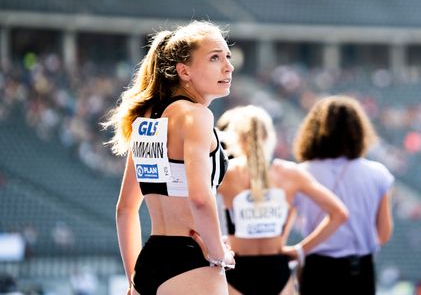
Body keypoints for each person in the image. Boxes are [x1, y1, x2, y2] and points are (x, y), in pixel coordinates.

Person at [104, 21, 235, 295]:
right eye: (215, 58)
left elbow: (125, 209)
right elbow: (200, 199)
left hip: (149, 263)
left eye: (227, 56)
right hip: (191, 262)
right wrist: (218, 253)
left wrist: (133, 281)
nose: (228, 66)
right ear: (183, 70)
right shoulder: (196, 116)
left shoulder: (145, 120)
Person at [217, 105, 349, 295]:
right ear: (270, 137)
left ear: (235, 138)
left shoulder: (226, 174)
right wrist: (301, 250)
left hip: (237, 267)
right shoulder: (290, 174)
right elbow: (340, 214)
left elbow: (195, 203)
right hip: (277, 269)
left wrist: (212, 245)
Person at [293, 95, 395, 295]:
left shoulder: (299, 174)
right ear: (358, 131)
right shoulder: (378, 173)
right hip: (359, 270)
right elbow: (383, 234)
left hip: (316, 269)